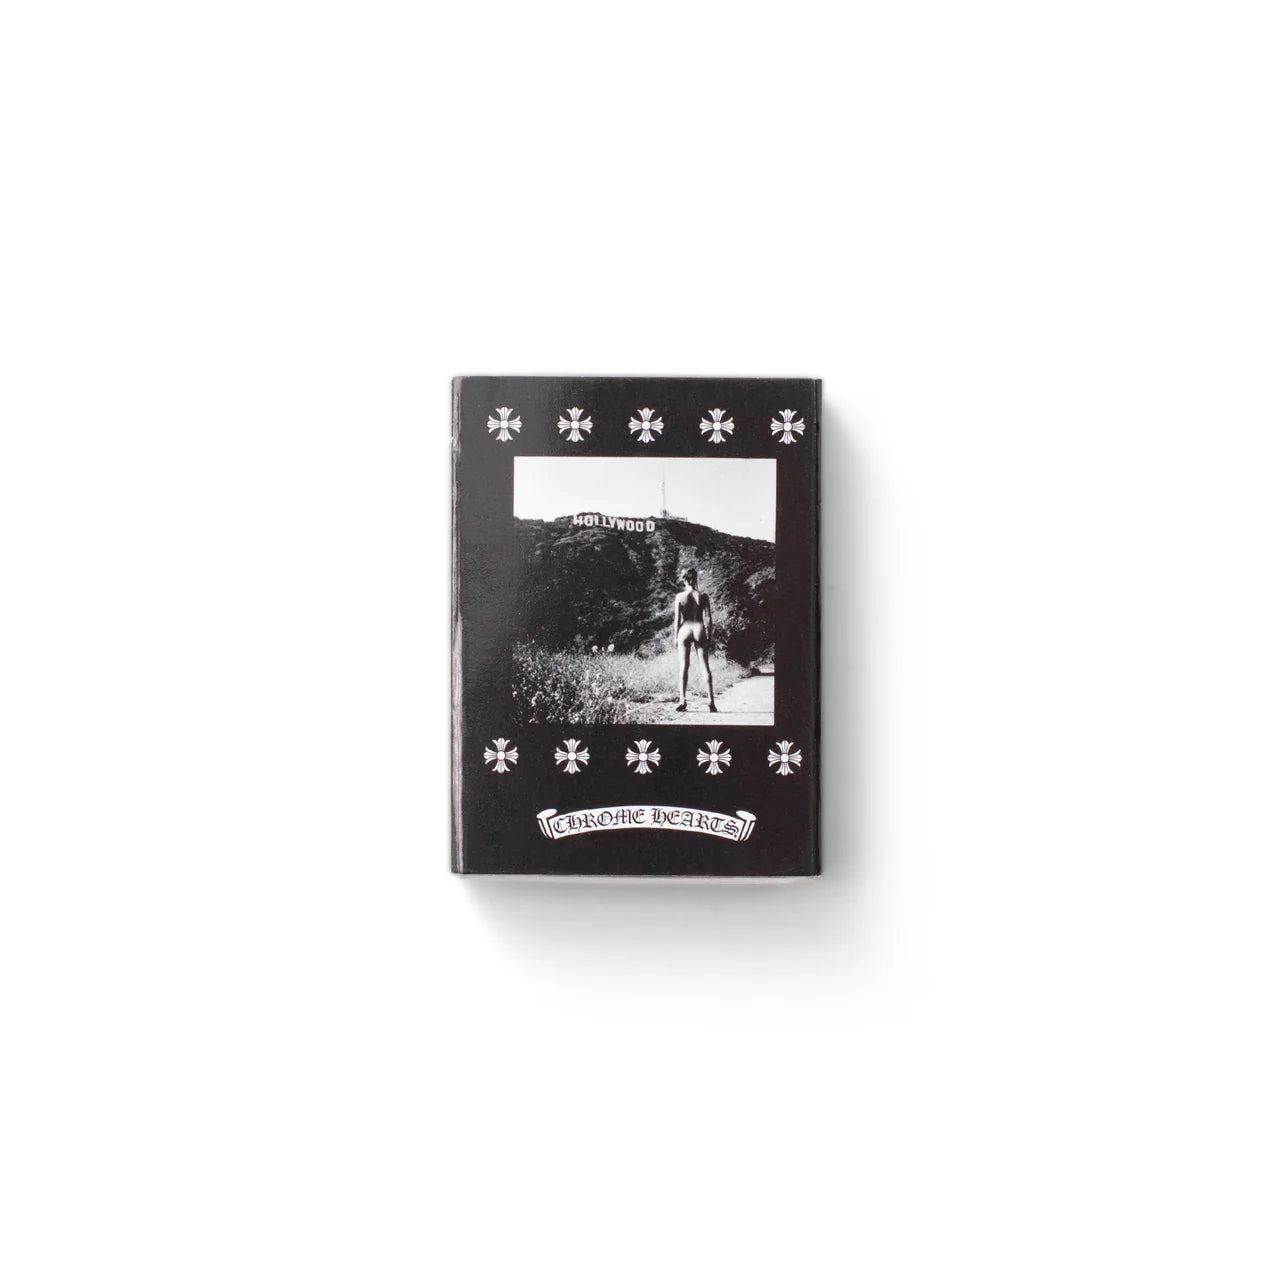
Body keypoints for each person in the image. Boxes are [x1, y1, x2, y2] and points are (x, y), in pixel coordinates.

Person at [673, 566, 717, 712]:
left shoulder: (680, 597)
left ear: (684, 579)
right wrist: (709, 634)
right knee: (705, 666)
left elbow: (677, 620)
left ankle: (682, 700)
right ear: (696, 578)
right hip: (699, 627)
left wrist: (675, 637)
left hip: (685, 629)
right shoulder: (703, 596)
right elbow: (708, 618)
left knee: (683, 666)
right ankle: (711, 701)